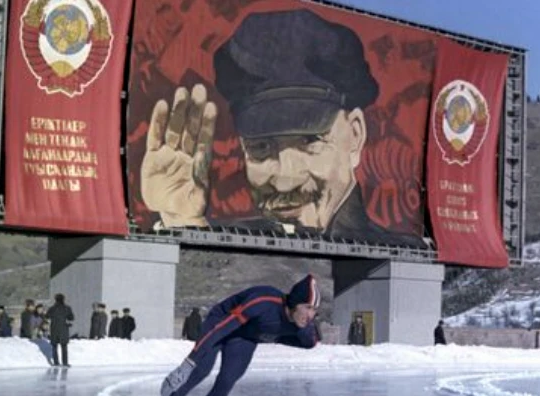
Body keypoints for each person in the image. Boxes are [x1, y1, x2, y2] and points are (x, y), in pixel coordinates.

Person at [140, 10, 419, 246]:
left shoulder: (402, 246)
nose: (286, 179)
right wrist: (181, 219)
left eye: (310, 141)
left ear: (355, 135)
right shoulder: (233, 235)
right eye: (261, 147)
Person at [130, 274, 321, 396]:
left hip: (245, 338)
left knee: (225, 382)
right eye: (307, 307)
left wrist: (272, 336)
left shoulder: (303, 327)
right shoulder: (264, 300)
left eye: (315, 310)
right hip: (221, 322)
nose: (310, 315)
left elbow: (310, 342)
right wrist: (189, 362)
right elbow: (222, 328)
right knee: (197, 373)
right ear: (294, 303)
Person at [46, 293, 74, 367]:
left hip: (54, 329)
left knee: (54, 346)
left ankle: (56, 362)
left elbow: (47, 316)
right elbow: (71, 318)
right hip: (64, 329)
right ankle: (65, 362)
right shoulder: (67, 308)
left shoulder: (52, 308)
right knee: (64, 346)